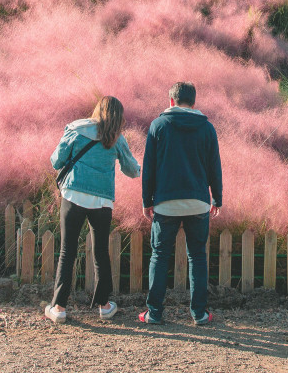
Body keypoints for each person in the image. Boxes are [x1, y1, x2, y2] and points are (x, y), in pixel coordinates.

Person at [45, 96, 140, 323]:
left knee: (68, 251)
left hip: (74, 196)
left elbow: (57, 161)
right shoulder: (117, 138)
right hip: (102, 202)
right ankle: (104, 306)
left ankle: (58, 307)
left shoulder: (76, 130)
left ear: (97, 110)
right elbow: (132, 170)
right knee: (100, 252)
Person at [139, 81, 223, 326]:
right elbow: (214, 167)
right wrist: (216, 197)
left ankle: (154, 313)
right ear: (194, 102)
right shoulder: (207, 128)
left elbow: (149, 169)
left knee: (160, 255)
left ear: (171, 101)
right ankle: (199, 313)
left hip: (165, 203)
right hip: (198, 202)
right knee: (197, 256)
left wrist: (147, 201)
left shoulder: (158, 126)